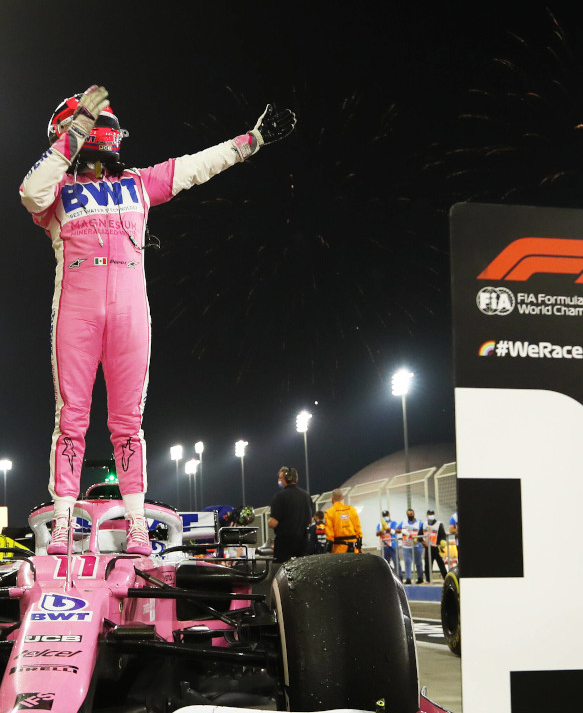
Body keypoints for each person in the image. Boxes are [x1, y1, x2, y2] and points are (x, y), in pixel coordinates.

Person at [19, 85, 296, 555]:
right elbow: (29, 190)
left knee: (128, 424)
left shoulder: (139, 184)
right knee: (73, 421)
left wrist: (254, 139)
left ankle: (138, 526)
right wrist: (78, 132)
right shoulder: (56, 195)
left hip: (123, 318)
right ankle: (65, 525)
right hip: (79, 318)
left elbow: (196, 166)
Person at [268, 467, 313, 562]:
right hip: (302, 544)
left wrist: (269, 522)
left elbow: (273, 523)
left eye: (280, 478)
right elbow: (311, 520)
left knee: (280, 572)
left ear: (287, 479)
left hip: (284, 545)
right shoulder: (306, 496)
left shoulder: (280, 497)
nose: (279, 480)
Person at [325, 488, 362, 553]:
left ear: (332, 499)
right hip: (353, 548)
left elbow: (330, 534)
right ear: (342, 497)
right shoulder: (352, 510)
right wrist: (359, 547)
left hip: (338, 549)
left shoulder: (329, 512)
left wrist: (328, 550)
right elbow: (358, 530)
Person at [397, 508, 425, 584]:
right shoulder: (404, 522)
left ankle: (420, 578)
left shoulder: (419, 523)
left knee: (418, 562)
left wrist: (420, 539)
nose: (410, 515)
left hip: (417, 546)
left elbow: (423, 532)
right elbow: (396, 529)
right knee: (407, 562)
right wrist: (402, 531)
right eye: (408, 514)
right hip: (406, 546)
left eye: (411, 514)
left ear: (414, 514)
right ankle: (408, 578)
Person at [425, 509, 449, 581]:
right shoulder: (424, 524)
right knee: (428, 564)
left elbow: (443, 534)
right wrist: (422, 542)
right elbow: (420, 534)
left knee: (441, 564)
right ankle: (428, 579)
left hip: (437, 547)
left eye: (432, 514)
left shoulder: (439, 524)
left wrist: (442, 541)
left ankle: (446, 578)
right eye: (430, 514)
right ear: (427, 516)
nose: (431, 516)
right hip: (428, 548)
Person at [377, 509, 399, 574]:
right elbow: (377, 533)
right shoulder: (380, 524)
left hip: (393, 545)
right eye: (384, 516)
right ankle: (387, 576)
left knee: (396, 562)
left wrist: (386, 528)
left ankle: (399, 576)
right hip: (384, 546)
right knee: (386, 563)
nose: (385, 516)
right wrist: (382, 529)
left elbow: (393, 530)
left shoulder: (393, 523)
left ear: (389, 515)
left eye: (386, 515)